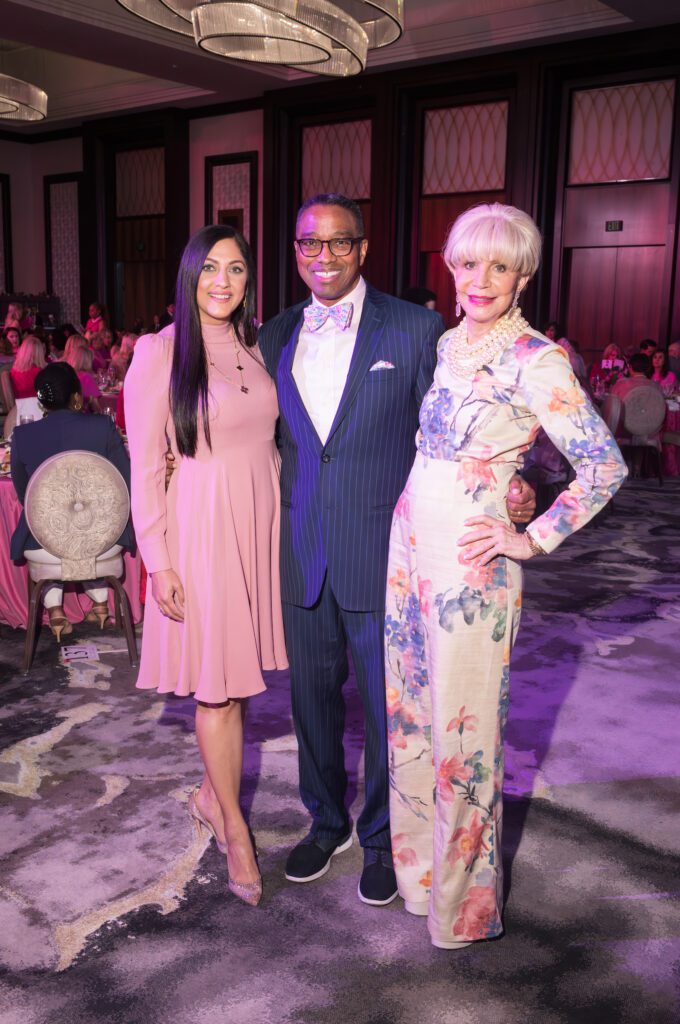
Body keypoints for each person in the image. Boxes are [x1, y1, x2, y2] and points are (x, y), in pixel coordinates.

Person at [257, 193, 535, 906]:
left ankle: (382, 835)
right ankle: (325, 822)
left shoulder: (417, 332)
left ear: (363, 248)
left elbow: (458, 428)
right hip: (301, 553)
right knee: (311, 704)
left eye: (338, 243)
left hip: (389, 556)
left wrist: (511, 486)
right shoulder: (276, 333)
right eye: (308, 244)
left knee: (392, 710)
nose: (323, 256)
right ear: (295, 251)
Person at [384, 203, 627, 949]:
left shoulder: (535, 358)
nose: (479, 279)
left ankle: (462, 911)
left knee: (464, 741)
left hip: (471, 567)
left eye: (498, 265)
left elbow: (604, 466)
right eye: (466, 263)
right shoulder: (451, 343)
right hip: (408, 551)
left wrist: (531, 537)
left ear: (523, 273)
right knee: (409, 724)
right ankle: (419, 879)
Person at [125, 225, 287, 907]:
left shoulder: (255, 345)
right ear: (190, 274)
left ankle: (207, 793)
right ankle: (235, 831)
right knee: (215, 690)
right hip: (200, 530)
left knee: (240, 681)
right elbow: (143, 467)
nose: (224, 281)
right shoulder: (158, 352)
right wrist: (159, 562)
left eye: (238, 270)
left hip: (256, 525)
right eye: (211, 268)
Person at [10, 363, 134, 642]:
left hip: (45, 542)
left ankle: (55, 611)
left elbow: (24, 496)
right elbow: (124, 483)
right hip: (102, 537)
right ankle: (100, 601)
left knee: (50, 528)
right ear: (76, 397)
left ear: (41, 401)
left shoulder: (23, 436)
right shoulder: (102, 426)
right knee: (84, 527)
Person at [65, 343, 102, 413]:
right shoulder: (86, 378)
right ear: (87, 361)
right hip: (83, 418)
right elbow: (95, 406)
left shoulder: (66, 374)